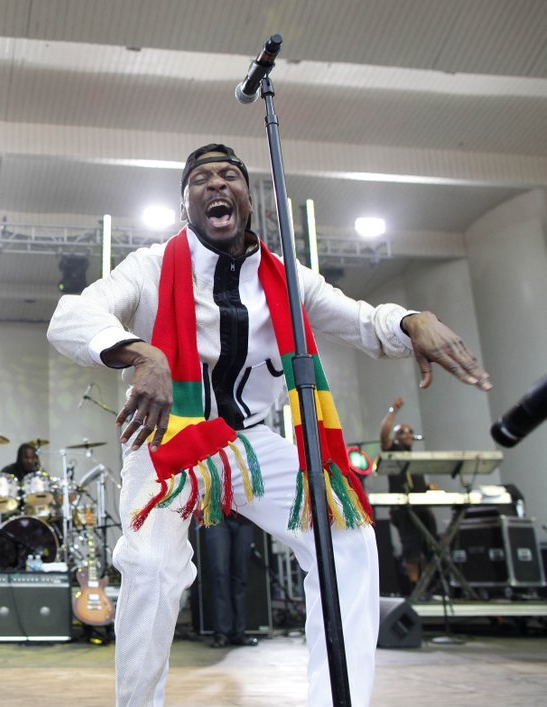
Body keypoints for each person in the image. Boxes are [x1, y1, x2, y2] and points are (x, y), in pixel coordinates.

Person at [47, 143, 492, 706]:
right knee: (153, 567)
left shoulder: (285, 277)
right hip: (171, 441)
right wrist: (142, 352)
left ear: (248, 199)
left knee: (348, 539)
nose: (215, 183)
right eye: (200, 178)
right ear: (185, 205)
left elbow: (359, 319)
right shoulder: (152, 266)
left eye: (228, 174)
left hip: (251, 440)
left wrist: (411, 319)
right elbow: (71, 317)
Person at [380, 398, 439, 589]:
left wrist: (428, 487)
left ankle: (429, 586)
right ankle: (414, 588)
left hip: (421, 505)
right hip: (404, 508)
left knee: (431, 545)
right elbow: (384, 435)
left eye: (410, 431)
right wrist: (393, 410)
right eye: (402, 432)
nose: (407, 434)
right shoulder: (394, 451)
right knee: (411, 548)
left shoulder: (413, 456)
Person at [203, 512, 259, 648]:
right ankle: (222, 633)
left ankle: (238, 632)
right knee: (220, 574)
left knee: (240, 577)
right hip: (216, 516)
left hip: (244, 518)